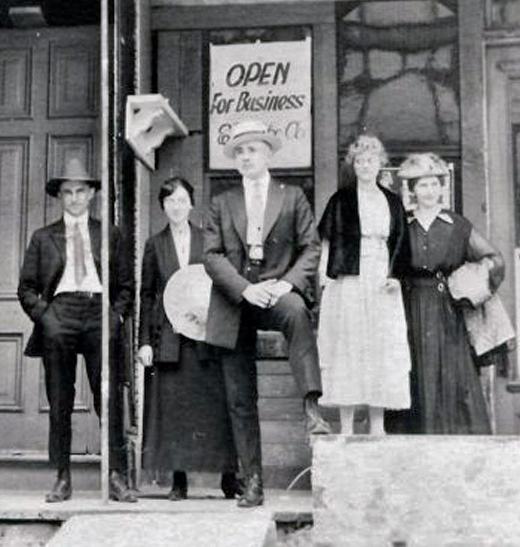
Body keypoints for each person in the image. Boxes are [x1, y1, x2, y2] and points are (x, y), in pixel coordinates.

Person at [203, 119, 331, 508]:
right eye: (239, 151)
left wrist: (287, 283)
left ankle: (312, 406)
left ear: (268, 153)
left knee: (297, 315)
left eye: (252, 149)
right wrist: (245, 289)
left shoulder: (292, 196)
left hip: (277, 290)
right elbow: (211, 255)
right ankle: (253, 480)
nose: (245, 157)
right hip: (236, 299)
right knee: (240, 396)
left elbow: (311, 248)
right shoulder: (222, 202)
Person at [17, 158, 137, 503]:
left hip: (99, 313)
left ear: (92, 194)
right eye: (67, 192)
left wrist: (115, 318)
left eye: (80, 191)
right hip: (61, 313)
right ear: (60, 197)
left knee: (108, 397)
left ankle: (115, 475)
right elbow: (25, 288)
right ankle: (62, 477)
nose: (73, 198)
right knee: (60, 399)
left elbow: (126, 285)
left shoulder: (108, 234)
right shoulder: (43, 238)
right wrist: (47, 316)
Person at [138, 177, 242, 501]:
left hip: (205, 337)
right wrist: (145, 342)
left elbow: (222, 285)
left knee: (216, 407)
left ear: (191, 204)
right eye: (170, 202)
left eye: (182, 200)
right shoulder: (155, 245)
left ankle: (228, 478)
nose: (176, 207)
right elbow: (147, 295)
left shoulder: (207, 240)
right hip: (169, 339)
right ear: (163, 206)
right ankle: (179, 480)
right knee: (174, 410)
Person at [396, 152, 504, 434]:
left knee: (454, 372)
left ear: (442, 187)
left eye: (434, 184)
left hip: (449, 310)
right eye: (422, 185)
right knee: (415, 371)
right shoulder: (402, 227)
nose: (429, 191)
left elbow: (493, 259)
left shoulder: (457, 225)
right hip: (411, 307)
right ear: (412, 190)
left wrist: (471, 284)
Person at [316, 134, 412, 435]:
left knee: (380, 347)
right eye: (360, 160)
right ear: (353, 164)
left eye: (370, 160)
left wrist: (394, 276)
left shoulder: (392, 202)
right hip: (349, 279)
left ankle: (377, 424)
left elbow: (400, 244)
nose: (365, 165)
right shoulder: (340, 200)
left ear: (380, 163)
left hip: (381, 278)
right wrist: (324, 276)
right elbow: (328, 244)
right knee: (349, 345)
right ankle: (346, 426)